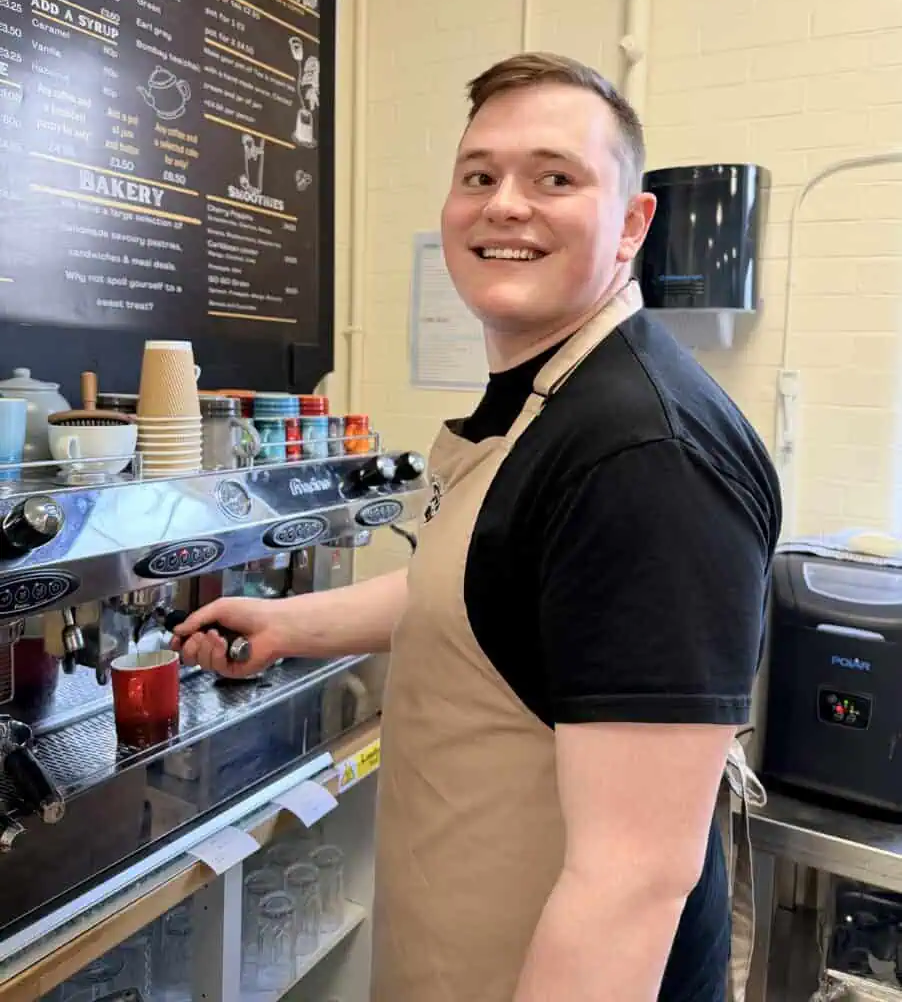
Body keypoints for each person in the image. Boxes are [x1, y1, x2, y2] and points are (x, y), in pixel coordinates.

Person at [174, 52, 781, 1001]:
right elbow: (482, 591)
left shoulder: (643, 458)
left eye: (555, 177)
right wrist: (292, 625)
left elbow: (631, 883)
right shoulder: (548, 400)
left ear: (632, 224)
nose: (504, 204)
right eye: (479, 176)